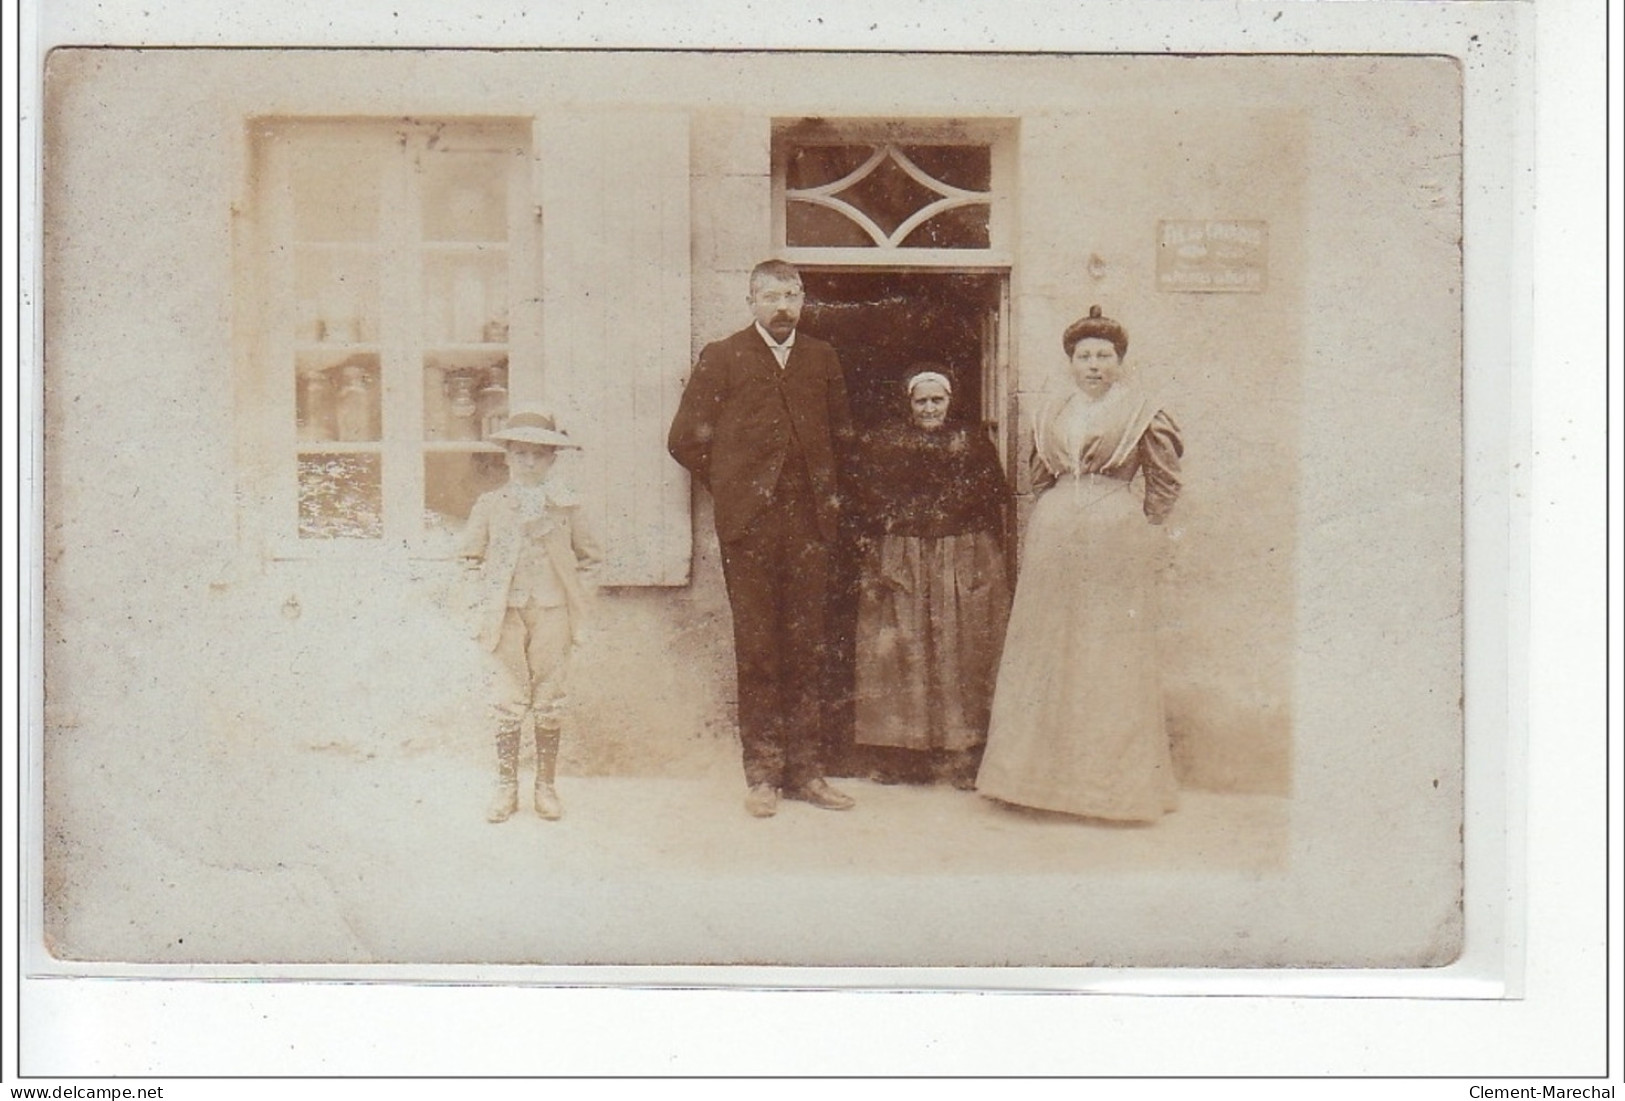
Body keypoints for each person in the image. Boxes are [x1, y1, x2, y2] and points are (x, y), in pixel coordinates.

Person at [976, 307, 1184, 822]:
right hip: (1055, 531)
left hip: (1113, 531)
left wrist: (1144, 530)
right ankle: (1032, 783)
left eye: (1104, 356)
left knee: (1106, 649)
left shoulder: (1143, 411)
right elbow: (1039, 475)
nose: (1094, 365)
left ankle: (1110, 790)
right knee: (1047, 644)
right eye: (1084, 356)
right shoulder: (1053, 412)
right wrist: (1059, 511)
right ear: (1071, 362)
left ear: (1120, 361)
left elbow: (1165, 480)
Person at [667, 259, 857, 818]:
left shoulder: (821, 357)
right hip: (749, 527)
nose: (782, 307)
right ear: (751, 301)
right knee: (758, 651)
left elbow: (843, 437)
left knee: (807, 648)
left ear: (802, 300)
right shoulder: (722, 357)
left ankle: (808, 773)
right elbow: (684, 440)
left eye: (792, 295)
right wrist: (734, 490)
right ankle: (764, 777)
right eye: (770, 296)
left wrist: (824, 498)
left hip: (808, 528)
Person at [849, 366, 1011, 789]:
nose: (929, 408)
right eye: (920, 401)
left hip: (959, 553)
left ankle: (963, 755)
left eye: (936, 400)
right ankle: (903, 756)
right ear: (908, 404)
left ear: (950, 402)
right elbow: (868, 499)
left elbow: (992, 500)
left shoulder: (972, 443)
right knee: (901, 652)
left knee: (960, 650)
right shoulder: (885, 444)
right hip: (903, 556)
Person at [459, 407, 603, 823]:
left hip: (553, 612)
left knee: (550, 698)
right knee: (507, 699)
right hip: (504, 614)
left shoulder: (567, 507)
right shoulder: (490, 505)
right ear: (506, 456)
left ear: (552, 460)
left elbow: (591, 559)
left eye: (538, 455)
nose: (528, 462)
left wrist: (577, 600)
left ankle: (546, 787)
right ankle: (506, 788)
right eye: (520, 453)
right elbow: (469, 559)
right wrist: (479, 604)